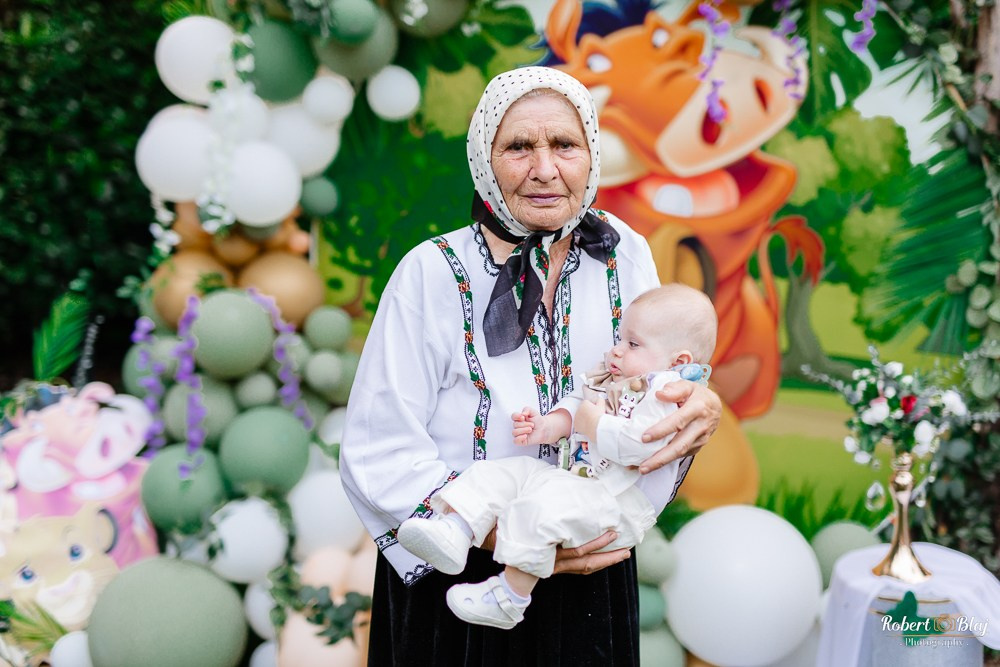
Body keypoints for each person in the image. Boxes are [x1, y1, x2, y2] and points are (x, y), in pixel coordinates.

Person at [340, 66, 723, 664]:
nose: (545, 169)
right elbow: (376, 446)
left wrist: (699, 400)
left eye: (564, 145)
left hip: (591, 570)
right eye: (519, 146)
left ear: (591, 153)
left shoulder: (623, 253)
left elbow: (660, 382)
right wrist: (500, 535)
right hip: (460, 572)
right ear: (483, 158)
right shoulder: (431, 272)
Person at [396, 284, 718, 630]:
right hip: (578, 480)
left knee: (542, 506)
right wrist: (548, 427)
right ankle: (455, 530)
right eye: (620, 338)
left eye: (632, 344)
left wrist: (592, 424)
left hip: (618, 502)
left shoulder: (667, 395)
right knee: (508, 474)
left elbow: (639, 446)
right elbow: (580, 404)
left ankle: (510, 597)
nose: (617, 350)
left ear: (679, 361)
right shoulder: (622, 379)